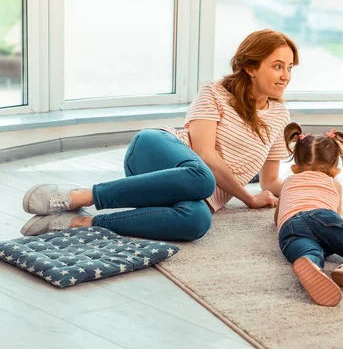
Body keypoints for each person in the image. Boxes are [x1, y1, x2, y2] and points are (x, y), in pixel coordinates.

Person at [20, 29, 299, 241]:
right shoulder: (214, 93)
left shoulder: (279, 116)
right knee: (203, 176)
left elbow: (270, 180)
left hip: (193, 192)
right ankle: (78, 197)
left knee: (197, 221)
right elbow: (205, 156)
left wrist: (313, 185)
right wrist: (248, 198)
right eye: (277, 66)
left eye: (289, 68)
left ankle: (79, 223)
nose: (285, 75)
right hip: (156, 151)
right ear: (251, 67)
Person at [275, 122, 343, 306]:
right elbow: (338, 217)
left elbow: (277, 219)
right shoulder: (333, 183)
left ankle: (312, 265)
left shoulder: (289, 181)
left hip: (290, 227)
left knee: (308, 251)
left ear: (295, 168)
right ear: (335, 172)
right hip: (322, 217)